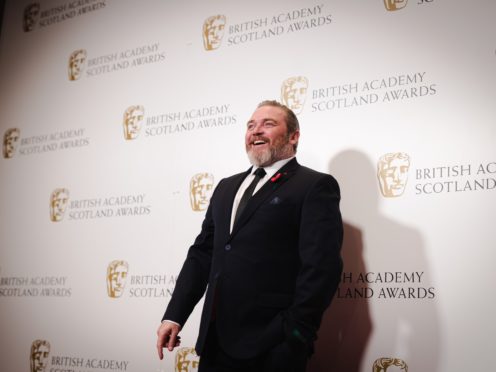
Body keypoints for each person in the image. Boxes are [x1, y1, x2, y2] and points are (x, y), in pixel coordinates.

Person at [156, 100, 343, 371]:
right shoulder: (226, 187)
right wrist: (174, 316)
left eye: (268, 124)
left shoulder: (314, 186)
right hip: (215, 340)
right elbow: (203, 253)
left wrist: (294, 332)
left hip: (273, 346)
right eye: (251, 125)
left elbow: (321, 267)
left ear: (293, 136)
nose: (256, 131)